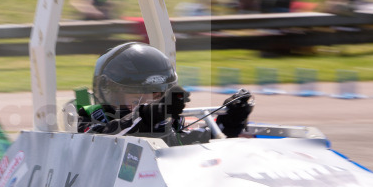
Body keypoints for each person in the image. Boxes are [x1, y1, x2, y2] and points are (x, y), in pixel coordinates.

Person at [76, 42, 254, 140]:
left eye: (156, 95)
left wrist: (229, 122)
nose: (148, 101)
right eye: (137, 95)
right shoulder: (90, 120)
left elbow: (197, 142)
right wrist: (148, 114)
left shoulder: (167, 122)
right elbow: (101, 139)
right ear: (110, 92)